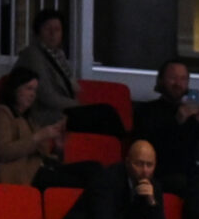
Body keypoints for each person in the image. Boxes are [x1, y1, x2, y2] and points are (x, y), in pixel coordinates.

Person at [12, 8, 125, 139]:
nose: (53, 33)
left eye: (57, 29)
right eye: (48, 29)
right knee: (104, 113)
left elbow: (72, 88)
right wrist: (78, 106)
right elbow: (47, 96)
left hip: (63, 111)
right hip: (44, 114)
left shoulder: (58, 55)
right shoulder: (33, 55)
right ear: (38, 32)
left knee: (105, 114)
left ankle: (122, 145)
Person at [57, 139, 171, 219]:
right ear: (127, 162)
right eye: (139, 164)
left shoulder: (153, 186)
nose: (145, 171)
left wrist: (151, 203)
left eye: (149, 165)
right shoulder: (107, 178)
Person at [131, 59, 199, 194]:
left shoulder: (192, 114)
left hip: (191, 176)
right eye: (172, 78)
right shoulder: (146, 110)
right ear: (160, 80)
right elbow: (149, 145)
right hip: (160, 174)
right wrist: (177, 121)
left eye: (183, 79)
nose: (178, 84)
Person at [0, 66, 66, 187]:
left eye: (35, 90)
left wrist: (58, 147)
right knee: (81, 178)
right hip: (20, 178)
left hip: (37, 172)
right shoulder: (1, 113)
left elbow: (44, 157)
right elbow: (2, 152)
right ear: (15, 89)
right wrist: (38, 137)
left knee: (90, 169)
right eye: (29, 88)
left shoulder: (29, 119)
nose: (32, 94)